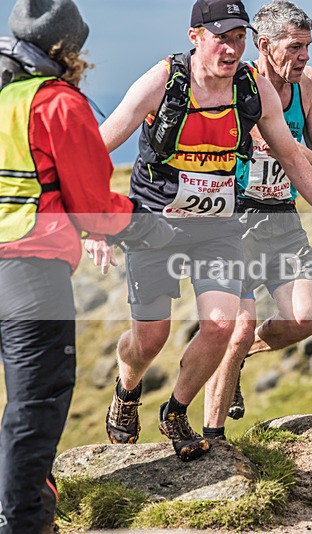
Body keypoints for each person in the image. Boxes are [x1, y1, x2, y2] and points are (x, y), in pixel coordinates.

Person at [88, 0, 312, 461]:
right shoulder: (164, 81)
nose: (231, 48)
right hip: (154, 221)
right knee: (150, 340)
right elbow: (97, 147)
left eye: (238, 38)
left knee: (224, 325)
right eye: (221, 37)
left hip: (218, 227)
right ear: (196, 37)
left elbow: (290, 153)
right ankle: (127, 390)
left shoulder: (253, 90)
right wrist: (94, 224)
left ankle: (176, 410)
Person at [0, 0, 175, 531]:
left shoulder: (6, 94)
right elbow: (93, 206)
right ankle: (24, 521)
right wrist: (145, 224)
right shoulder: (57, 103)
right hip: (28, 271)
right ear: (66, 48)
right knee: (36, 402)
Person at [203, 0, 312, 438]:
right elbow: (280, 141)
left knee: (305, 318)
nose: (304, 56)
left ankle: (239, 355)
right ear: (264, 46)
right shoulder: (241, 84)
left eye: (308, 46)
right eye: (295, 47)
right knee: (237, 326)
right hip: (236, 217)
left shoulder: (309, 82)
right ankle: (214, 439)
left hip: (282, 217)